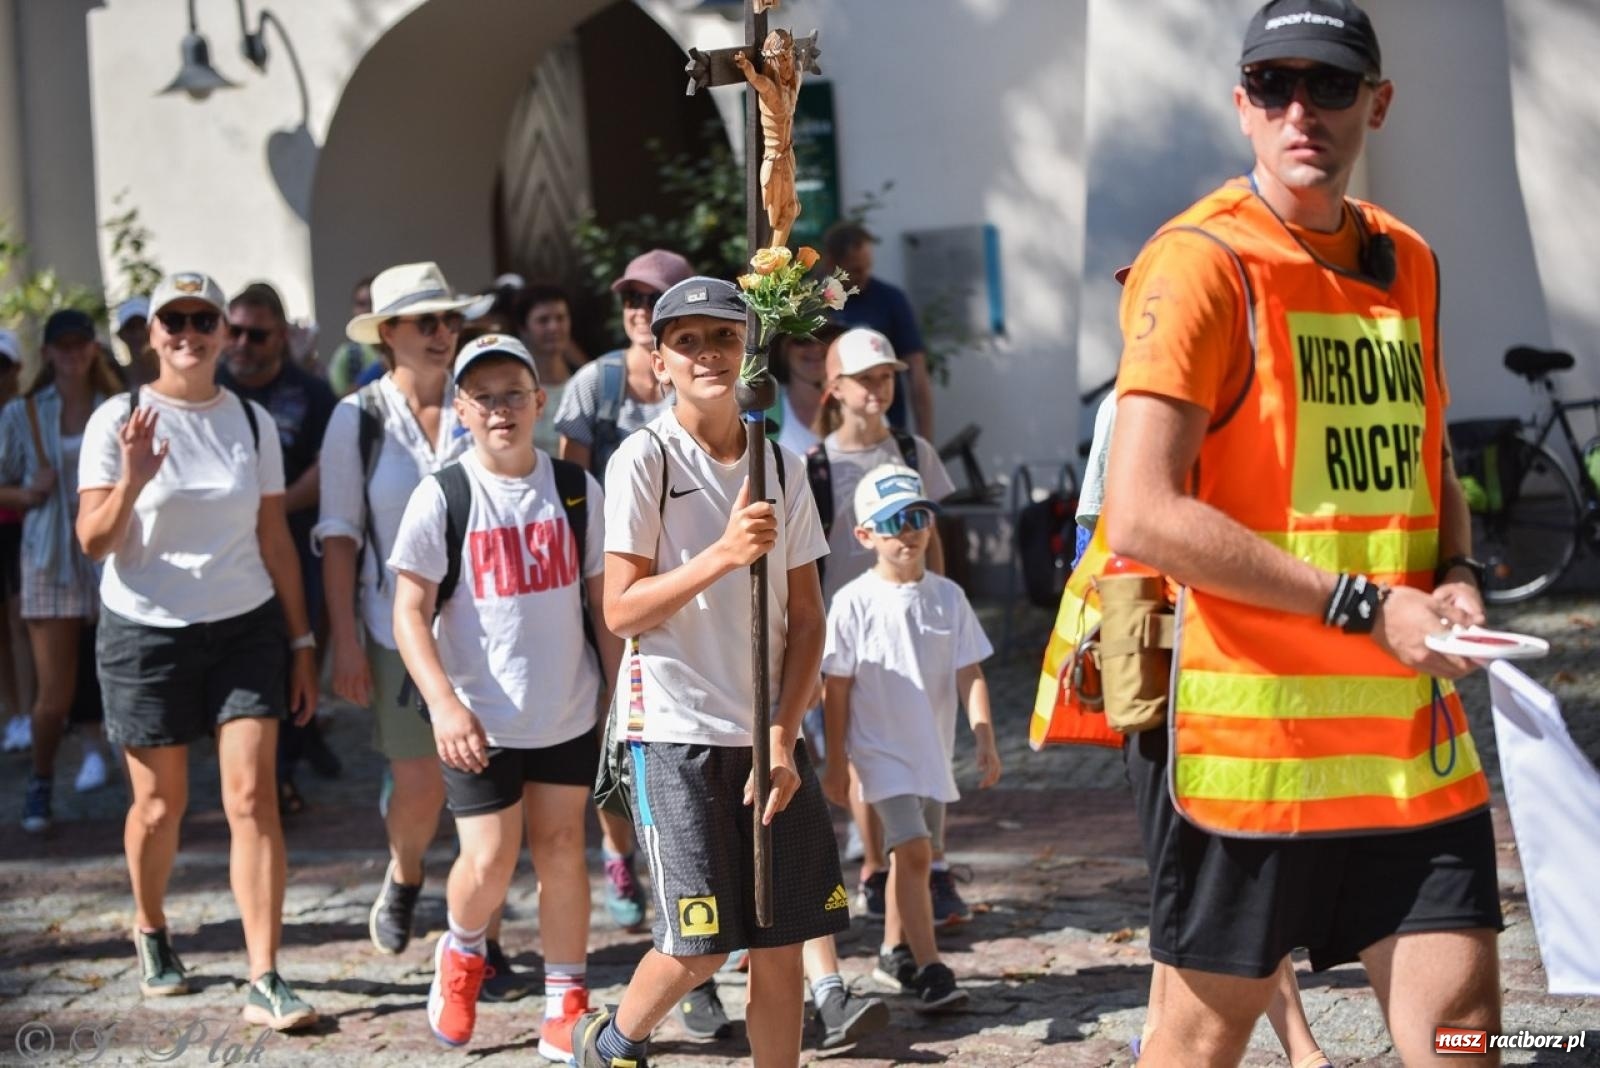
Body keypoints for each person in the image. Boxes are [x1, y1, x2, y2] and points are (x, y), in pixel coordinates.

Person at [1102, 3, 1501, 1065]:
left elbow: (1430, 456)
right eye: (1273, 87)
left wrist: (1454, 570)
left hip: (1406, 743)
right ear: (1240, 106)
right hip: (1253, 756)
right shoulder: (1198, 263)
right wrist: (1364, 604)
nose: (1299, 111)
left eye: (1327, 87)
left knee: (1466, 1044)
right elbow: (1139, 509)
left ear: (1377, 103)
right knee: (1194, 1049)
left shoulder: (1407, 260)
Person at [570, 276, 846, 1068]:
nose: (707, 355)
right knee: (697, 944)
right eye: (685, 342)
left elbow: (808, 621)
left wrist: (785, 736)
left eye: (721, 337)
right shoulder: (643, 460)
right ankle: (613, 1044)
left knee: (782, 944)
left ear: (746, 347)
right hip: (674, 731)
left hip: (766, 740)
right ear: (659, 361)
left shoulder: (781, 466)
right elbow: (621, 612)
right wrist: (724, 554)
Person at [75, 271, 320, 1030]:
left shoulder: (248, 422)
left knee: (252, 798)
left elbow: (274, 536)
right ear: (151, 334)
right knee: (158, 805)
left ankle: (266, 974)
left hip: (244, 628)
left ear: (220, 331)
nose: (188, 332)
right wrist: (134, 478)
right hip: (145, 630)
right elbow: (94, 542)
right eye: (172, 320)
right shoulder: (116, 419)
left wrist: (302, 641)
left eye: (202, 319)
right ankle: (151, 929)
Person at [390, 333, 620, 1055]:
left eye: (513, 395)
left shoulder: (577, 489)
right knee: (488, 860)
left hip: (567, 707)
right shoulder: (443, 495)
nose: (500, 410)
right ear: (460, 408)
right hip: (478, 718)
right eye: (483, 397)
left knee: (560, 850)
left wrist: (618, 696)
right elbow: (408, 611)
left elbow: (603, 602)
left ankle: (565, 1000)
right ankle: (461, 952)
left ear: (538, 402)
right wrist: (443, 703)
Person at [314, 263, 489, 972]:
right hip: (395, 632)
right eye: (427, 322)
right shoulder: (356, 418)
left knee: (488, 791)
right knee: (419, 786)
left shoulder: (481, 399)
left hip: (488, 628)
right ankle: (407, 872)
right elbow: (338, 537)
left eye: (450, 320)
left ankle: (479, 935)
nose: (444, 333)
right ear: (388, 334)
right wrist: (345, 645)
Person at [820, 464, 999, 1012]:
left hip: (932, 755)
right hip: (880, 755)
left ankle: (893, 951)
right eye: (894, 521)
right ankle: (931, 967)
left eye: (919, 516)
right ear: (865, 535)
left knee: (911, 861)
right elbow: (837, 688)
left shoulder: (948, 597)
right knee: (917, 854)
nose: (910, 530)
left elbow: (970, 672)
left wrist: (985, 738)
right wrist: (835, 762)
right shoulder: (853, 602)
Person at [551, 247, 692, 938]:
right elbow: (565, 493)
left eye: (652, 299)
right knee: (615, 725)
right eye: (631, 301)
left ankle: (687, 858)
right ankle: (618, 851)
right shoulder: (593, 385)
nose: (639, 313)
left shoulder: (704, 376)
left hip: (690, 580)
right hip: (612, 581)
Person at [808, 327, 968, 931]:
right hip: (845, 628)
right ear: (834, 390)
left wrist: (946, 610)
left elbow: (937, 545)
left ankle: (929, 865)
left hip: (913, 623)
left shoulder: (913, 451)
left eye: (887, 378)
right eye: (865, 380)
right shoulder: (815, 467)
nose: (878, 389)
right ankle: (877, 865)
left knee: (925, 738)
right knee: (857, 752)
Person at [219, 282, 340, 813]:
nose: (243, 343)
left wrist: (272, 507)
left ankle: (290, 758)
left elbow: (328, 464)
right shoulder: (213, 388)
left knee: (299, 652)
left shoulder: (311, 393)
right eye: (235, 331)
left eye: (257, 334)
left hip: (294, 542)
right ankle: (271, 768)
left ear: (281, 336)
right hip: (230, 555)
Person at [0, 310, 123, 827]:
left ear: (93, 349)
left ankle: (145, 794)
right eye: (62, 346)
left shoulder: (117, 408)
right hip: (50, 557)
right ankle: (41, 778)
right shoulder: (23, 413)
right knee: (53, 696)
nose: (72, 354)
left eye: (80, 345)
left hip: (113, 555)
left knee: (126, 683)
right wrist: (28, 493)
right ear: (47, 353)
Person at [823, 221, 935, 439]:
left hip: (886, 427)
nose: (864, 275)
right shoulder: (812, 303)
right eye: (855, 270)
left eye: (868, 267)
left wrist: (926, 440)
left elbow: (917, 372)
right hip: (827, 428)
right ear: (831, 264)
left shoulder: (890, 300)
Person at [0, 329, 35, 756]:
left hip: (23, 529)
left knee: (20, 622)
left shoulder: (30, 413)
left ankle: (31, 709)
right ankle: (15, 713)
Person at [513, 284, 584, 453]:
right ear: (524, 328)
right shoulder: (513, 391)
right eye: (543, 320)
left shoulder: (585, 386)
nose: (554, 327)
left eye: (560, 318)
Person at [769, 326, 833, 458]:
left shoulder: (861, 401)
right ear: (783, 349)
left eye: (824, 338)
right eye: (802, 339)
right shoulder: (764, 408)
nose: (816, 348)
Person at [327, 275, 381, 397]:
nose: (368, 309)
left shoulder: (401, 349)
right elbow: (339, 402)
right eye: (361, 304)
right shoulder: (346, 355)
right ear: (353, 309)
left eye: (373, 302)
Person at [112, 297, 156, 387]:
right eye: (131, 328)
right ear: (121, 335)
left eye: (143, 326)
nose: (138, 334)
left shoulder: (176, 373)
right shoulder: (116, 382)